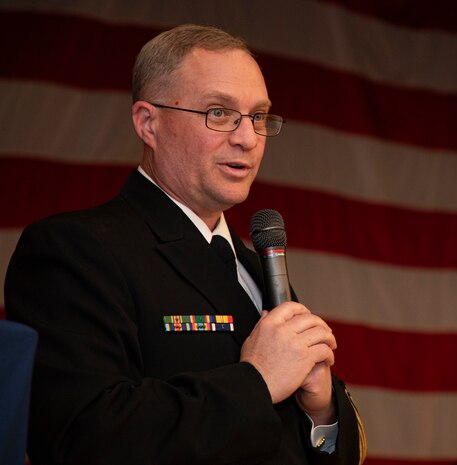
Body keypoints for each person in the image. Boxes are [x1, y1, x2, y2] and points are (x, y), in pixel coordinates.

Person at [4, 24, 366, 465]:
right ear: (148, 123)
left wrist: (321, 410)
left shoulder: (257, 266)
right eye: (219, 113)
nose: (248, 138)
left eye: (258, 116)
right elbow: (83, 437)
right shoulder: (75, 249)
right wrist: (256, 381)